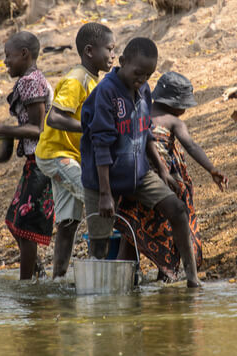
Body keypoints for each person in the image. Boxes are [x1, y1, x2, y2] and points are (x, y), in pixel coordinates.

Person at [80, 37, 201, 288]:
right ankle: (95, 291)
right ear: (122, 62)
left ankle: (192, 277)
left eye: (148, 75)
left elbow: (145, 133)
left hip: (138, 173)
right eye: (138, 73)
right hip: (102, 179)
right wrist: (104, 194)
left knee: (177, 209)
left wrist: (163, 170)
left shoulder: (144, 90)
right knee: (100, 244)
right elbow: (101, 144)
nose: (142, 79)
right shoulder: (106, 93)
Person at [115, 71, 229, 281]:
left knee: (130, 236)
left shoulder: (137, 111)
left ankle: (121, 283)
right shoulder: (173, 122)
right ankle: (168, 279)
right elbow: (191, 146)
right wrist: (212, 169)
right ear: (176, 103)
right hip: (162, 186)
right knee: (168, 230)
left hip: (132, 182)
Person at [35, 22, 115, 278]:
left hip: (67, 156)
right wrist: (90, 128)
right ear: (90, 51)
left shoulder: (93, 81)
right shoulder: (77, 79)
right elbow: (55, 118)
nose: (112, 55)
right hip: (56, 155)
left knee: (68, 222)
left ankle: (57, 279)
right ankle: (98, 265)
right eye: (109, 50)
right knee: (95, 197)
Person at [0, 31, 54, 280]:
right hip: (35, 161)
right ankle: (36, 274)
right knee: (14, 221)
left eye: (8, 56)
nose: (5, 61)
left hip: (42, 161)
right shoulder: (30, 79)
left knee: (25, 227)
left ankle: (27, 284)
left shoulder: (31, 81)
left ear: (24, 54)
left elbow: (36, 129)